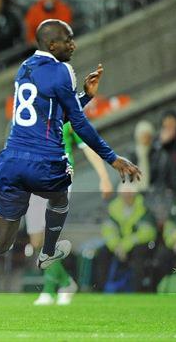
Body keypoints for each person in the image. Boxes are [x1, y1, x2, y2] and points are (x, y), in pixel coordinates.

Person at [0, 19, 141, 329]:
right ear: (53, 45)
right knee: (60, 193)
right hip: (44, 161)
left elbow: (53, 112)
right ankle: (48, 253)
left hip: (11, 162)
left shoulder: (24, 68)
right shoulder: (62, 71)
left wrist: (85, 96)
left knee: (1, 241)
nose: (74, 44)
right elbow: (78, 124)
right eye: (68, 40)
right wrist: (112, 158)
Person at [30, 122, 114, 306]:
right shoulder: (29, 112)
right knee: (37, 240)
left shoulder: (67, 113)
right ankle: (66, 282)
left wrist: (104, 177)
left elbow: (87, 145)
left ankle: (49, 290)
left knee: (49, 233)